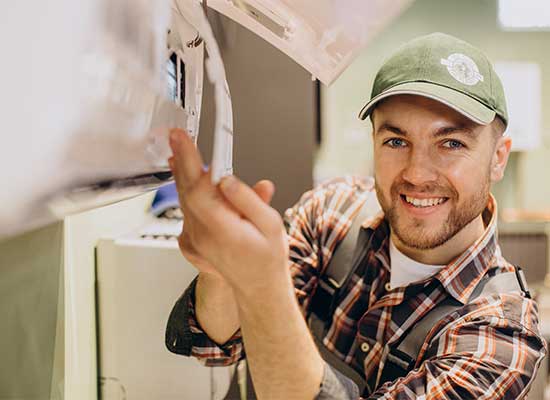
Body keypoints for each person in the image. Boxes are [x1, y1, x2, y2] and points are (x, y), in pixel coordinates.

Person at [164, 32, 547, 399]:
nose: (416, 173)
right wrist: (222, 272)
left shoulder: (501, 335)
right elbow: (216, 344)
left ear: (498, 158)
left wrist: (262, 284)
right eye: (396, 141)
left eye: (451, 143)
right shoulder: (331, 213)